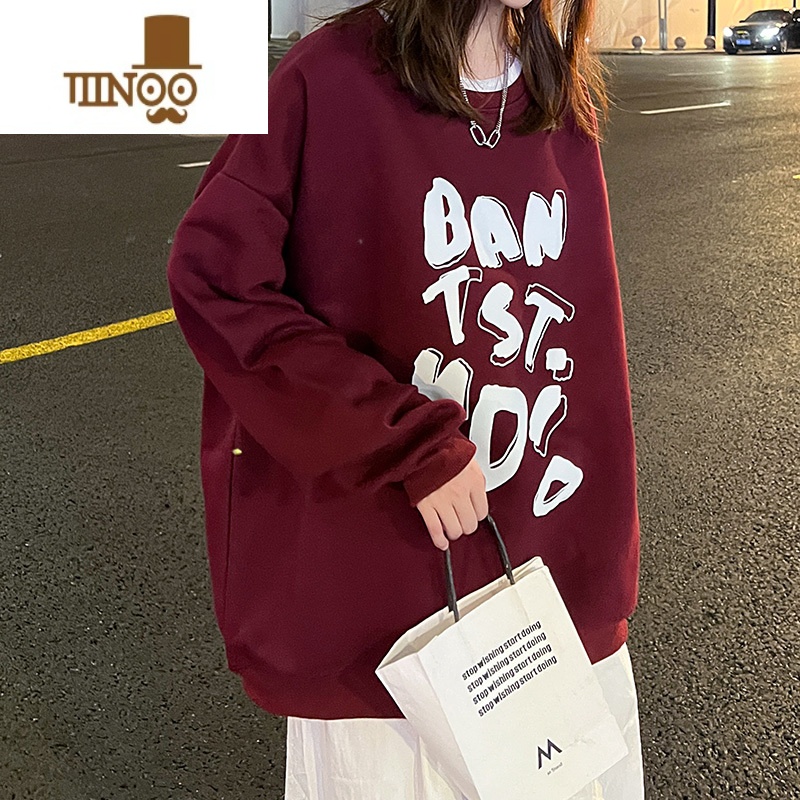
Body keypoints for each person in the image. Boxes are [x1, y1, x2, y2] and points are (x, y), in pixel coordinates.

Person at [166, 0, 643, 796]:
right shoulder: (329, 79)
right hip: (390, 610)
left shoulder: (556, 94)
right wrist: (404, 440)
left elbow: (585, 342)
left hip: (545, 595)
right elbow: (218, 282)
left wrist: (601, 552)